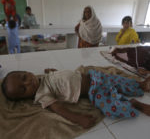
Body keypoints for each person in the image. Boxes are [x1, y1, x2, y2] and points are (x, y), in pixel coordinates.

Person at [1, 67, 150, 129]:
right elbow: (58, 109)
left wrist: (51, 70)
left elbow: (56, 78)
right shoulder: (42, 95)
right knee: (110, 107)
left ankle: (141, 85)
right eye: (23, 89)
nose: (28, 82)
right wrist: (78, 118)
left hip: (93, 76)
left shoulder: (41, 78)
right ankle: (134, 104)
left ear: (27, 71)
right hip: (93, 90)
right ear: (25, 98)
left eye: (24, 77)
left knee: (116, 80)